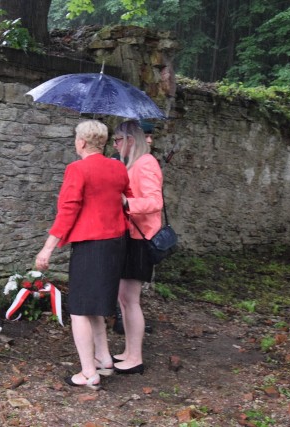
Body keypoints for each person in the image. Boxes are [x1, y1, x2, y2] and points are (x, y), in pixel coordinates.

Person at [35, 120, 133, 390]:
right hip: (116, 243)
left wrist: (47, 248)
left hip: (92, 245)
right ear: (102, 142)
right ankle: (103, 359)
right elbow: (128, 199)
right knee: (97, 304)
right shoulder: (117, 167)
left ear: (80, 142)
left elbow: (68, 210)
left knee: (79, 309)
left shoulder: (77, 169)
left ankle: (89, 373)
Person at [111, 119, 163, 375]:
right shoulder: (132, 163)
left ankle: (135, 357)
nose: (115, 144)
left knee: (131, 300)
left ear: (131, 140)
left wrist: (127, 203)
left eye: (118, 139)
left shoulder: (146, 163)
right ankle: (129, 351)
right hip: (131, 236)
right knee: (124, 298)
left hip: (141, 239)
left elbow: (155, 201)